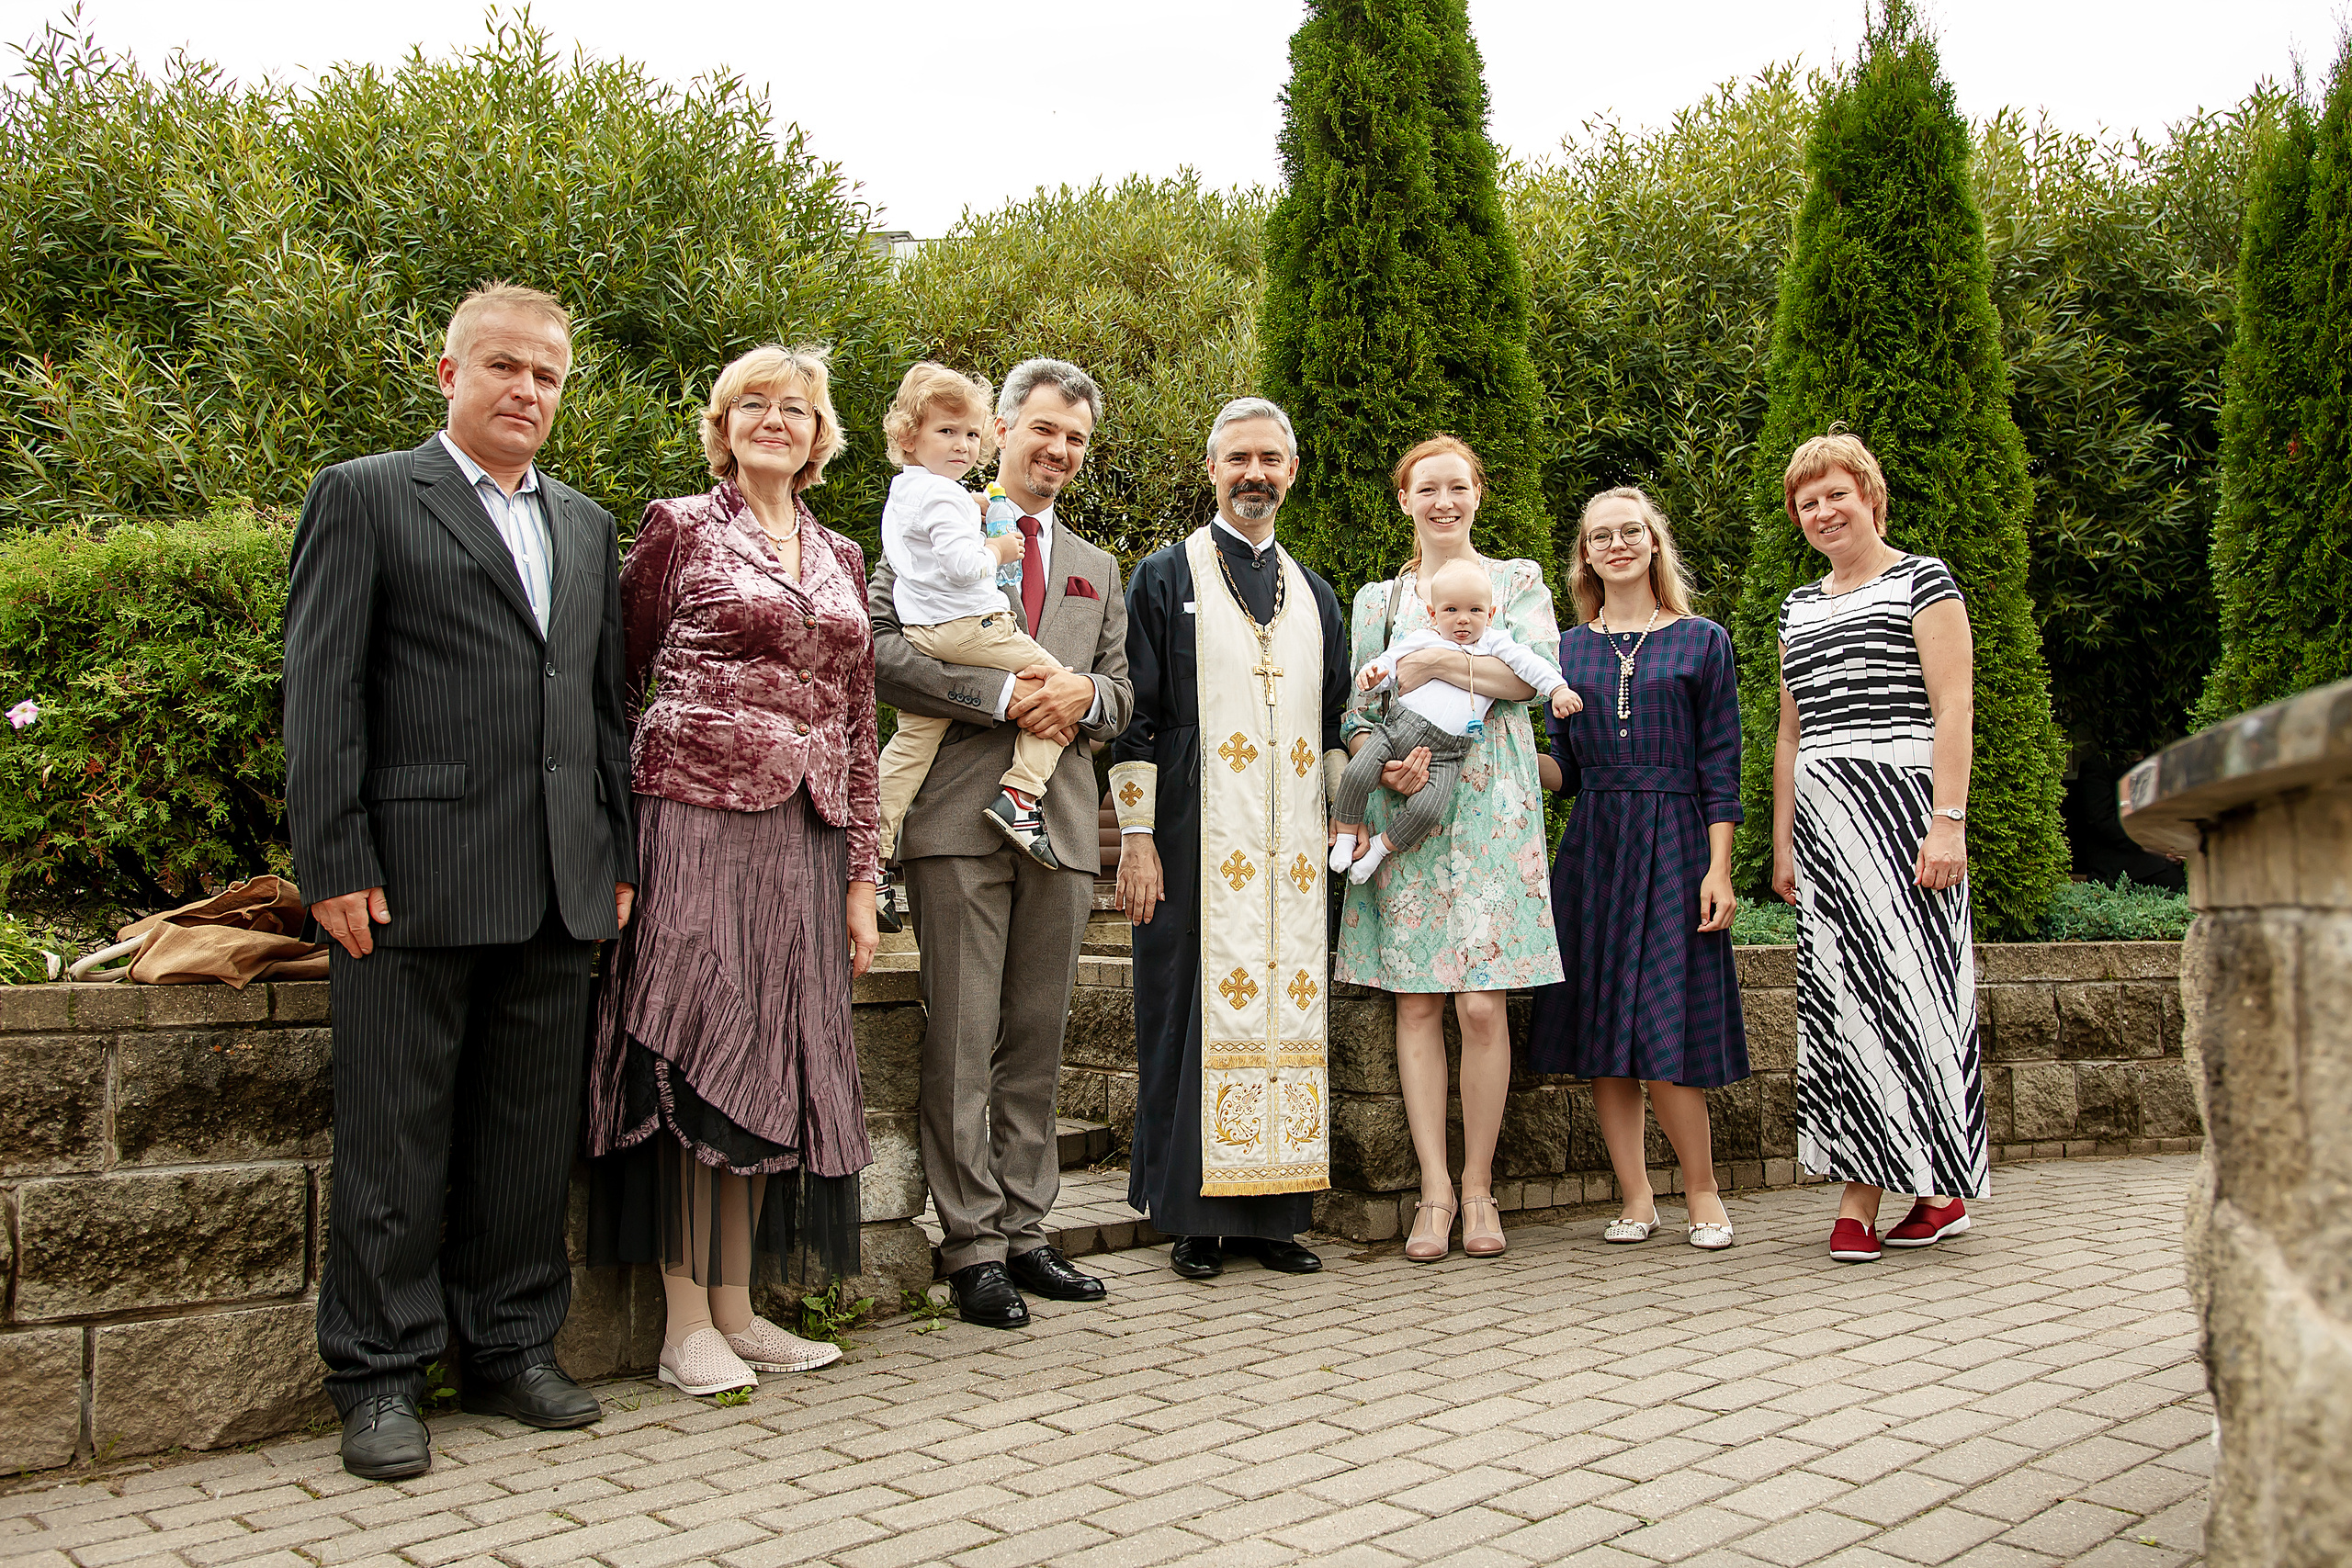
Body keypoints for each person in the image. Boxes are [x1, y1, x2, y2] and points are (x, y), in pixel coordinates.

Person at [285, 282, 637, 1481]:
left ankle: (510, 1347)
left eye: (545, 373)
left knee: (526, 1142)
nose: (525, 389)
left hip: (553, 885)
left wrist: (618, 854)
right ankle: (379, 1374)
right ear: (450, 373)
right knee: (393, 1141)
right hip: (409, 886)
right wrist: (332, 856)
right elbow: (321, 690)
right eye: (503, 366)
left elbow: (600, 711)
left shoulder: (588, 527)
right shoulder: (369, 495)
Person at [582, 344, 879, 1395]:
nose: (773, 418)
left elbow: (854, 717)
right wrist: (628, 819)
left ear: (820, 434)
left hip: (805, 833)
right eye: (751, 403)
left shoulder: (842, 555)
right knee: (693, 1046)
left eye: (795, 407)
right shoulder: (677, 527)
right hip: (692, 820)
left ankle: (741, 1308)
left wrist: (860, 872)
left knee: (776, 1057)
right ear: (721, 423)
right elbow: (615, 678)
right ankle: (681, 1323)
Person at [867, 358, 1134, 1328]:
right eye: (1043, 431)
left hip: (1057, 828)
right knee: (961, 1039)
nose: (1057, 451)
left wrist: (1084, 697)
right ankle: (970, 1244)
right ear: (1003, 431)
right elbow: (883, 645)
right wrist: (1002, 694)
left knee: (1036, 1039)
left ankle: (1028, 1231)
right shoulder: (934, 512)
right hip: (956, 824)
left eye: (1074, 439)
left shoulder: (1098, 569)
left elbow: (1121, 693)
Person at [1113, 396, 1352, 1281]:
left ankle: (1276, 1215)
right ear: (1212, 468)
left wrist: (1349, 821)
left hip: (1291, 855)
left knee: (1289, 1015)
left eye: (1271, 460)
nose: (1256, 474)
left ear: (1291, 472)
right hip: (1189, 838)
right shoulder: (1164, 577)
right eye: (1239, 458)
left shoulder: (1316, 592)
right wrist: (1136, 836)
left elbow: (1334, 726)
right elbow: (1134, 720)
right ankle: (1194, 1219)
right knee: (1185, 1014)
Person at [1335, 434, 1563, 1263]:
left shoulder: (1518, 582)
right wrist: (1377, 752)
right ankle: (1433, 1190)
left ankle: (1479, 1187)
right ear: (1405, 499)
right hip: (1410, 804)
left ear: (1478, 494)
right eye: (1427, 488)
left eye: (1457, 487)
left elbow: (1527, 677)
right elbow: (1357, 702)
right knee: (1419, 1001)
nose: (1443, 501)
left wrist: (1433, 658)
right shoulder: (1376, 597)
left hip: (1494, 806)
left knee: (1481, 1003)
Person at [1767, 432, 1984, 1262]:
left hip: (1904, 804)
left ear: (1871, 497)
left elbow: (1953, 705)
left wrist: (1948, 819)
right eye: (1808, 502)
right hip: (1826, 816)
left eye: (1836, 496)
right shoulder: (1798, 606)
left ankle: (1879, 1192)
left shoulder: (1923, 579)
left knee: (1916, 993)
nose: (1823, 512)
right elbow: (1790, 734)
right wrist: (1785, 843)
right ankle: (1932, 1191)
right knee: (1844, 1002)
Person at [1527, 487, 1747, 1251]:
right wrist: (1517, 760)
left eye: (1630, 532)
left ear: (1654, 544)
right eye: (1599, 536)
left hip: (1679, 841)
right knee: (1602, 1031)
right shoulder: (1565, 649)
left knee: (1667, 1029)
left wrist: (1719, 868)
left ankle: (1704, 1192)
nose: (1616, 545)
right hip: (1597, 845)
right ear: (1584, 554)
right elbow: (1570, 770)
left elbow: (1723, 764)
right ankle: (1635, 1196)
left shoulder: (1702, 640)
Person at [873, 362, 1070, 886]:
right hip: (972, 626)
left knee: (910, 747)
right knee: (1061, 688)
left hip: (925, 633)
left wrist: (971, 505)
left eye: (971, 435)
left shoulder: (910, 491)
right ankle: (1021, 795)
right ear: (909, 436)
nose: (962, 445)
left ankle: (872, 849)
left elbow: (934, 531)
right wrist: (999, 547)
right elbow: (963, 565)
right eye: (947, 432)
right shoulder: (943, 496)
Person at [1331, 556, 1578, 885]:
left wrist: (1558, 689)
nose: (1463, 620)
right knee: (1358, 771)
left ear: (1490, 614)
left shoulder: (1494, 642)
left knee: (1428, 810)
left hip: (1449, 752)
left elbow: (1530, 665)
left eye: (1475, 611)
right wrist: (1374, 673)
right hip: (1398, 730)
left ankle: (1379, 848)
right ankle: (1346, 835)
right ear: (1434, 613)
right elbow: (1390, 664)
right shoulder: (1425, 637)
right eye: (1451, 611)